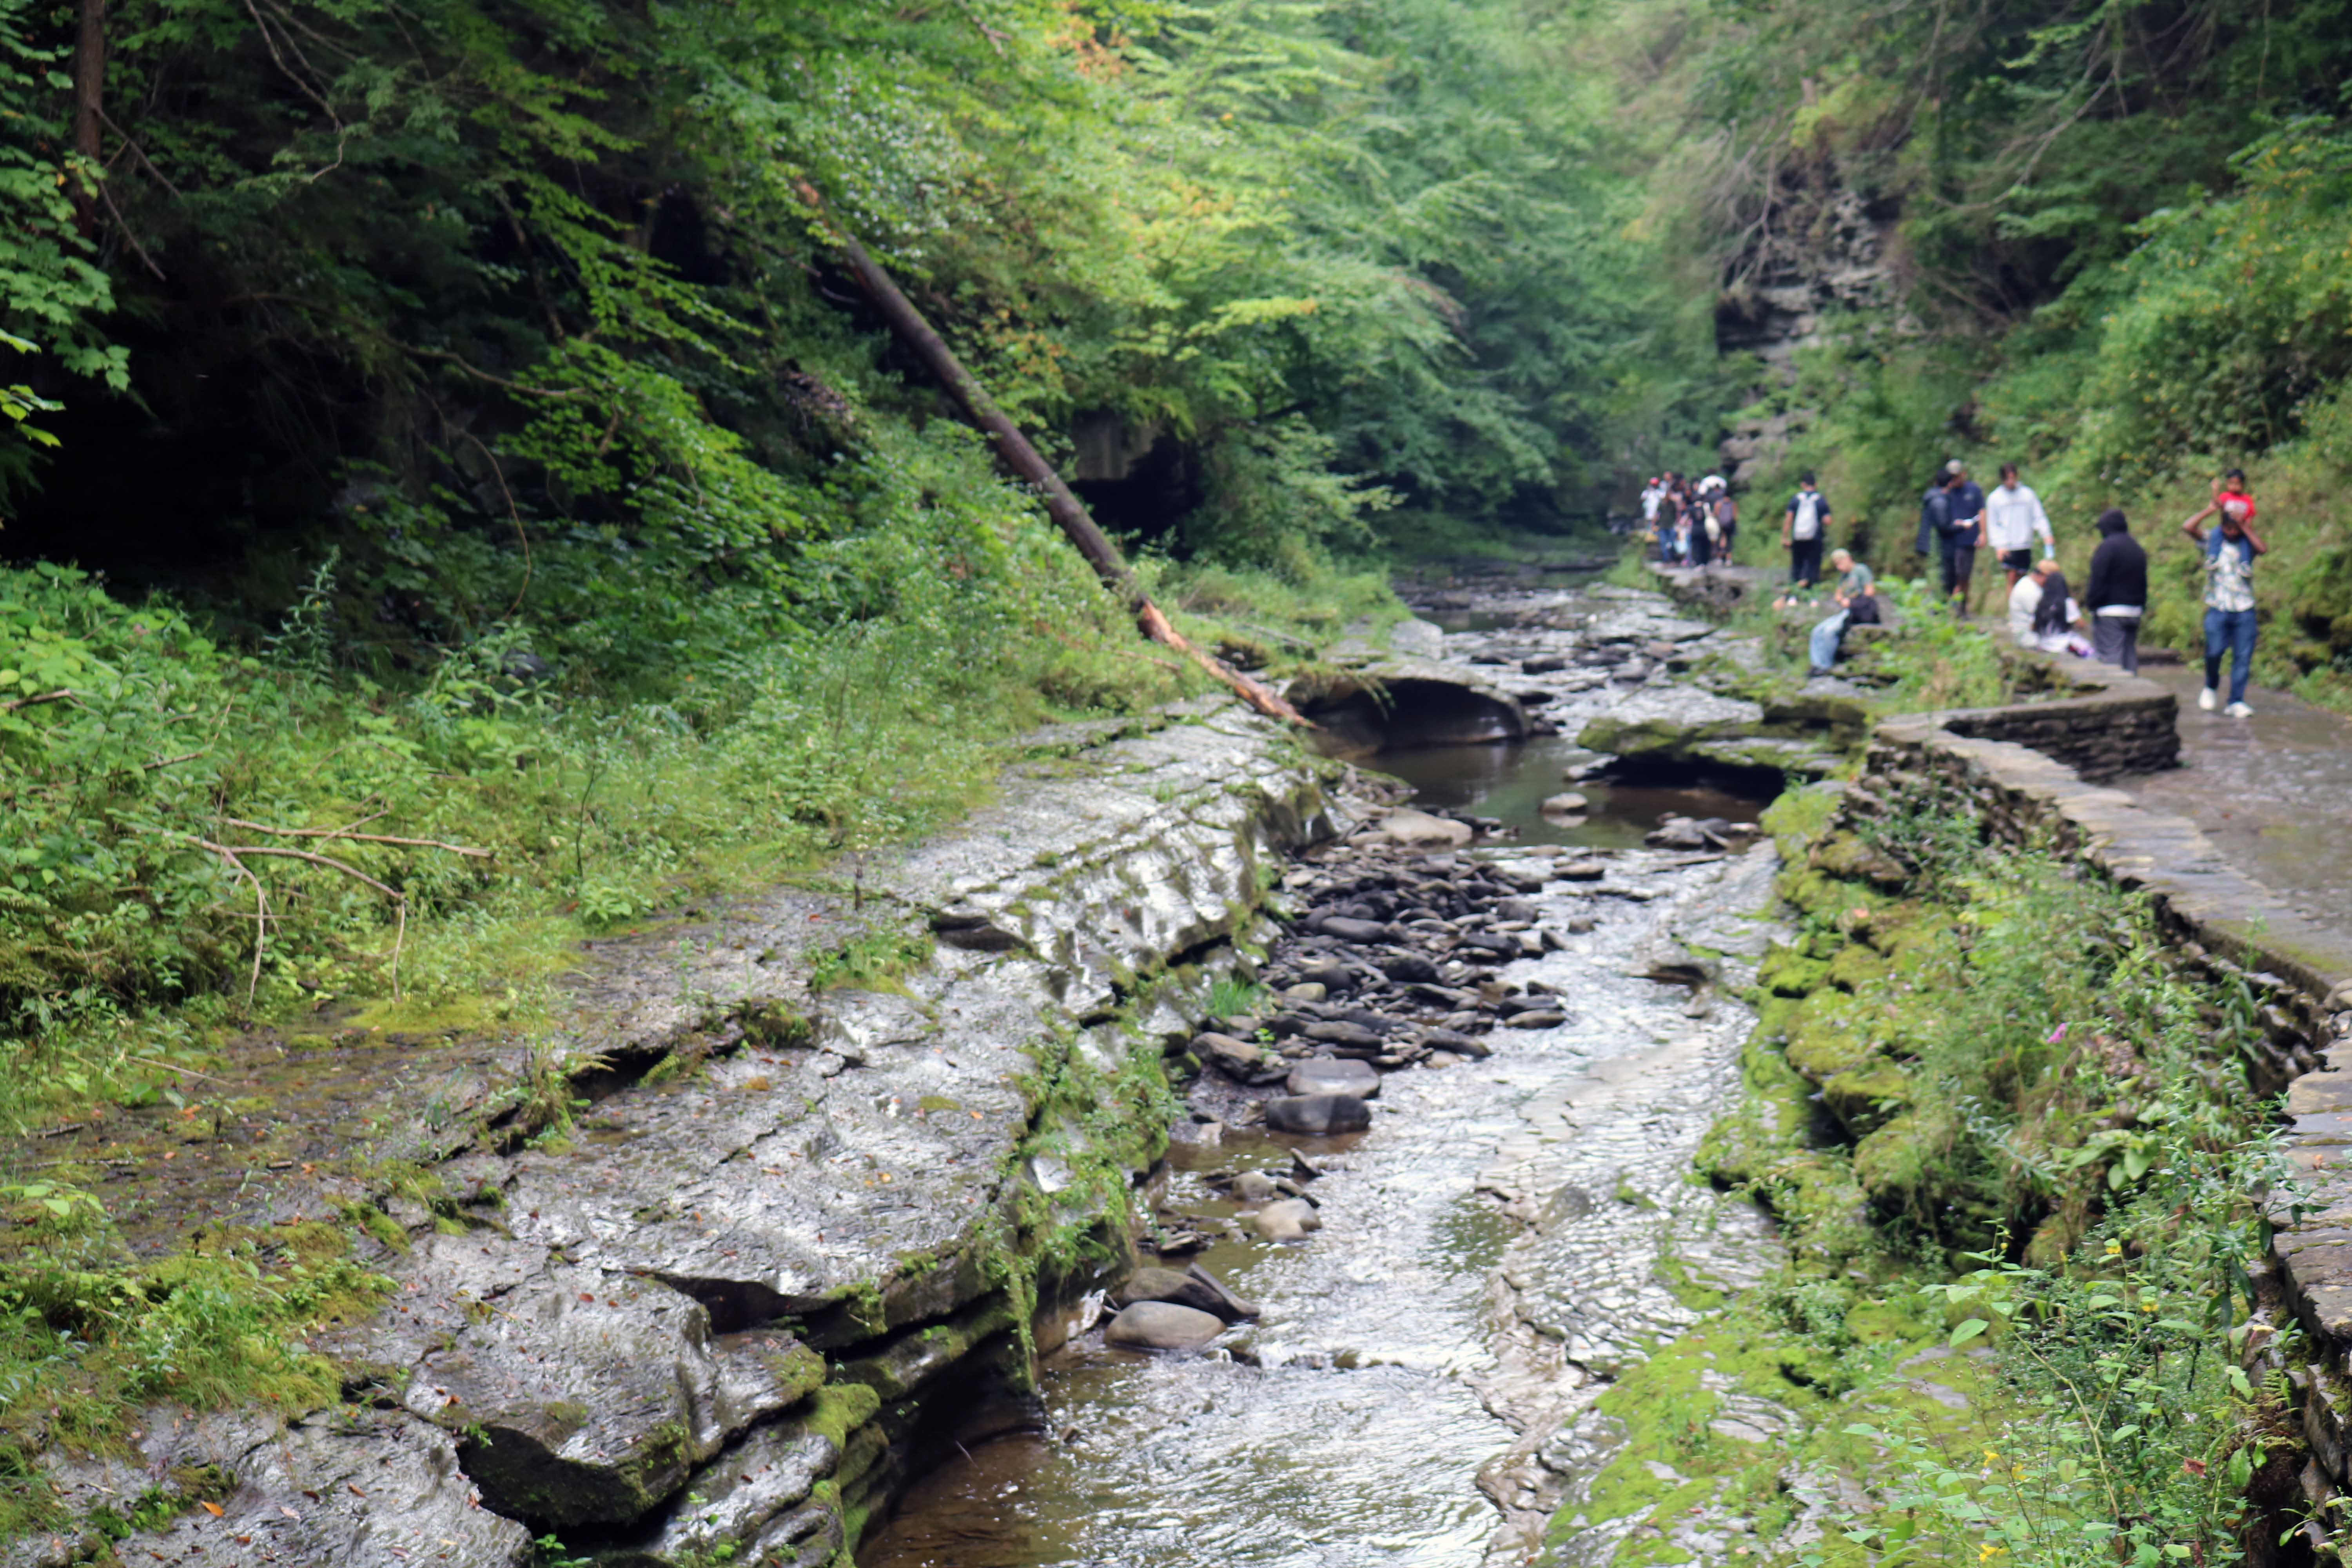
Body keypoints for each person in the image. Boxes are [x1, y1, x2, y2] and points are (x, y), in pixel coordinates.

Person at [2181, 495, 2268, 715]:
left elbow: (2262, 549)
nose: (2231, 532)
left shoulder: (2247, 544)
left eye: (2235, 529)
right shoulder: (2212, 540)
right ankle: (2211, 685)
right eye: (2228, 528)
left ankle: (2236, 701)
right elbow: (2188, 527)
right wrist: (2209, 510)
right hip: (2217, 607)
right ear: (2222, 527)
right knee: (2214, 651)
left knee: (2243, 656)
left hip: (2244, 608)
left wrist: (2245, 527)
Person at [2083, 508, 2147, 673]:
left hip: (2110, 612)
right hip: (2134, 611)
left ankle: (2116, 688)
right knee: (2129, 656)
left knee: (2111, 659)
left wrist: (2092, 603)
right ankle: (2134, 687)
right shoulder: (2136, 548)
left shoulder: (2107, 548)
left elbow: (2098, 579)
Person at [1984, 463, 2055, 592]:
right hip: (2007, 545)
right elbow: (1993, 524)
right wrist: (1999, 546)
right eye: (2008, 479)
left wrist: (2046, 534)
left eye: (2013, 478)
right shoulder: (1995, 498)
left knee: (2022, 578)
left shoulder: (2027, 495)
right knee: (2011, 576)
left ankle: (2020, 601)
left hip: (2024, 542)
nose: (2011, 482)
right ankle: (2012, 603)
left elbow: (2038, 516)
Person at [1807, 548, 1877, 674]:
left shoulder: (1861, 570)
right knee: (1817, 631)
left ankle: (1825, 665)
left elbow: (1870, 592)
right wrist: (1841, 599)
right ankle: (1816, 664)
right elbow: (1838, 594)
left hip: (1858, 610)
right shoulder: (1844, 576)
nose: (1839, 567)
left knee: (1829, 632)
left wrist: (1853, 602)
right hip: (1845, 611)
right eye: (1837, 565)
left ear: (1847, 559)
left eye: (1840, 563)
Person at [1939, 460, 1987, 615]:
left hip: (1968, 540)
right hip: (1950, 540)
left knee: (1964, 575)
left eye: (1957, 476)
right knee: (1952, 574)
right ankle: (1951, 604)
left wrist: (1983, 533)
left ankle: (1962, 606)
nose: (1954, 479)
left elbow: (1981, 512)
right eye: (1951, 477)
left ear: (1963, 474)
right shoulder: (1945, 493)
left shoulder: (1974, 490)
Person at [1784, 474, 1831, 589]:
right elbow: (1828, 521)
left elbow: (1789, 519)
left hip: (1798, 537)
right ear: (1816, 485)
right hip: (1815, 538)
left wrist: (1785, 537)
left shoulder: (1795, 499)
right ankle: (1812, 592)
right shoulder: (1821, 500)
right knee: (1813, 564)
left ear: (1803, 485)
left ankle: (1794, 592)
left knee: (1797, 564)